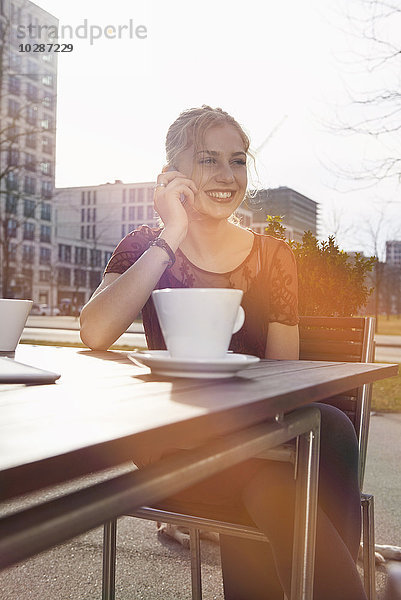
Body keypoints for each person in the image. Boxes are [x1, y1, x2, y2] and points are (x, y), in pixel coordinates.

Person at [80, 105, 367, 599]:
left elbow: (285, 376)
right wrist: (169, 235)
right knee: (287, 471)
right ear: (173, 174)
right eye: (208, 160)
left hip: (261, 444)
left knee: (289, 466)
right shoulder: (143, 246)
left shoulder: (275, 257)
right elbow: (95, 332)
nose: (225, 175)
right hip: (178, 447)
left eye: (237, 161)